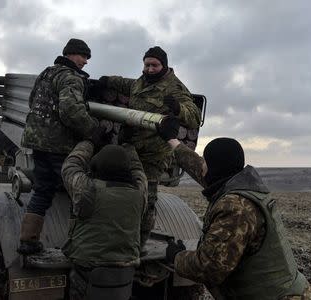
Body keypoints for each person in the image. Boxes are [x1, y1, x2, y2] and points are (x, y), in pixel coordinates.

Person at [155, 119, 311, 299]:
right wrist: (172, 141)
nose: (202, 167)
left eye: (205, 162)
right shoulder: (242, 184)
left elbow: (209, 267)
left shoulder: (236, 207)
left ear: (214, 168)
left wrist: (176, 256)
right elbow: (197, 167)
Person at [97, 46, 201, 249]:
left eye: (155, 65)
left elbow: (194, 115)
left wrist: (178, 108)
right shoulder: (140, 82)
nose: (150, 69)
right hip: (131, 148)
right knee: (124, 194)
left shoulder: (174, 88)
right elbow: (126, 84)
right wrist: (108, 80)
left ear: (164, 65)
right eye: (147, 65)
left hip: (154, 153)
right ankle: (118, 237)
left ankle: (138, 246)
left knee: (147, 200)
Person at [18, 38, 101, 255]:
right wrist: (94, 131)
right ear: (71, 54)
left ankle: (27, 241)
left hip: (37, 142)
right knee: (77, 192)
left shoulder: (47, 73)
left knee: (43, 189)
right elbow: (71, 111)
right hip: (59, 146)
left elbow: (31, 102)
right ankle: (76, 246)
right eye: (83, 56)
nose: (85, 61)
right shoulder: (70, 77)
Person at [61, 140, 147, 300]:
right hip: (124, 272)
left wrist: (88, 142)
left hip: (87, 269)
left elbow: (70, 167)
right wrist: (128, 146)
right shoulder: (139, 192)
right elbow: (138, 171)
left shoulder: (88, 190)